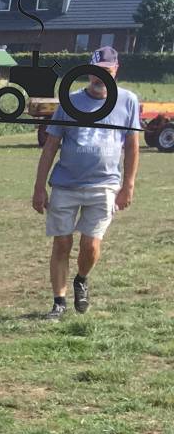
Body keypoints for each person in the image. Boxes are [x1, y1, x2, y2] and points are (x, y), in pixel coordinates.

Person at [32, 45, 140, 320]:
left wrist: (128, 185)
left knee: (90, 245)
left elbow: (132, 146)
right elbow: (51, 146)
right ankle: (59, 301)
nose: (98, 77)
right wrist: (38, 187)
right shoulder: (70, 102)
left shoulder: (127, 101)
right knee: (62, 243)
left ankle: (81, 278)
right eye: (94, 71)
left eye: (105, 71)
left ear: (115, 72)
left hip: (104, 185)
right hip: (65, 185)